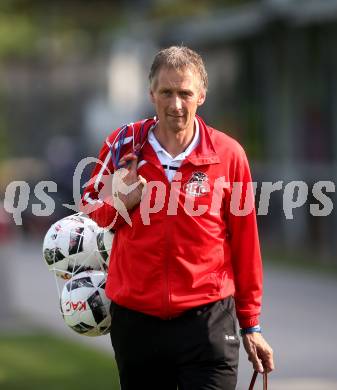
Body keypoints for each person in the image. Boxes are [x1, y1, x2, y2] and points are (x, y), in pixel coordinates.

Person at [82, 46, 274, 390]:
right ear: (151, 93)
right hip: (137, 322)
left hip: (208, 322)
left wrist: (252, 325)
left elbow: (246, 245)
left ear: (201, 94)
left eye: (185, 93)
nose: (176, 104)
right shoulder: (123, 146)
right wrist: (121, 203)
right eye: (166, 92)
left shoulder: (228, 155)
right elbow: (91, 211)